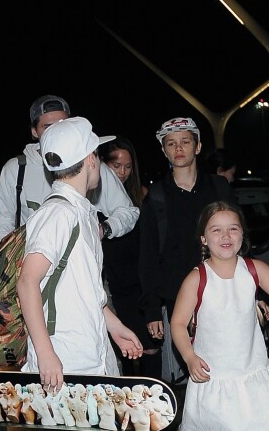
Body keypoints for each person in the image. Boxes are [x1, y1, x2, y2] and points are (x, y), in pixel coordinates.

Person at [16, 117, 143, 390]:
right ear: (90, 159)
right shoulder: (57, 214)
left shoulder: (82, 214)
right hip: (64, 359)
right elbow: (27, 282)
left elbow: (84, 289)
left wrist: (114, 327)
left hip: (91, 351)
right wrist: (45, 354)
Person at [170, 201, 269, 431]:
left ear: (242, 234)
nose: (225, 235)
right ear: (203, 239)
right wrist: (189, 357)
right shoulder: (197, 279)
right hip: (215, 382)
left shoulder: (255, 269)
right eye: (216, 230)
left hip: (255, 379)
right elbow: (178, 324)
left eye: (233, 228)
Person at [138, 117, 236, 381]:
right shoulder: (156, 196)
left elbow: (237, 240)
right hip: (178, 296)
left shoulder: (219, 187)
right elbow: (147, 256)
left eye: (185, 141)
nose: (178, 148)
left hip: (221, 288)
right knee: (192, 364)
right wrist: (151, 309)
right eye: (171, 143)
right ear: (164, 150)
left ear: (198, 146)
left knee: (228, 359)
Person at [0, 94, 139, 249]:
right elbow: (2, 217)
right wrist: (5, 244)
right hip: (32, 260)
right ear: (34, 131)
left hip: (81, 263)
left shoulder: (89, 163)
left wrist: (102, 229)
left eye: (63, 124)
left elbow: (128, 212)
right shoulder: (16, 169)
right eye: (48, 127)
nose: (58, 131)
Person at [99, 136, 161, 378]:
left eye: (127, 166)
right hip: (112, 283)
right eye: (116, 166)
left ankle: (155, 403)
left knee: (149, 348)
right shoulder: (94, 200)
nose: (122, 172)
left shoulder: (142, 196)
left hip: (138, 281)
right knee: (120, 349)